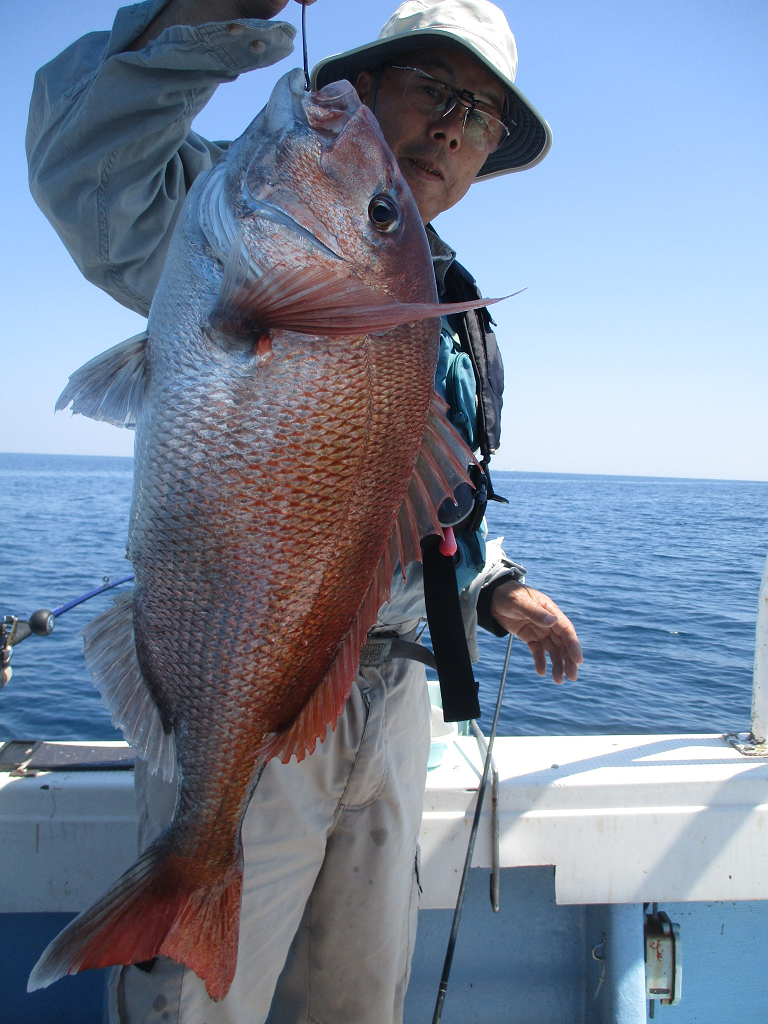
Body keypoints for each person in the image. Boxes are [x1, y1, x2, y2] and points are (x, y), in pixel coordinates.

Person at [27, 1, 583, 1021]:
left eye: (486, 119)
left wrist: (494, 583)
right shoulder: (226, 218)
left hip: (394, 701)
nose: (458, 128)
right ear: (362, 89)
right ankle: (190, 870)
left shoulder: (435, 297)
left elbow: (409, 499)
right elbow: (86, 168)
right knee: (198, 1005)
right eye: (438, 90)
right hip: (250, 685)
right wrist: (194, 19)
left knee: (358, 997)